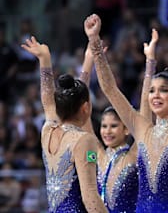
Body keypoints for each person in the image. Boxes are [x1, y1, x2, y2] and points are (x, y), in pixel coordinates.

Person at [85, 12, 168, 212]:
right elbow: (110, 90)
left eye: (164, 90)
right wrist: (95, 41)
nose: (155, 95)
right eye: (151, 91)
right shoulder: (143, 129)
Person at [21, 36, 107, 212]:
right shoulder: (84, 140)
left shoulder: (48, 129)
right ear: (86, 107)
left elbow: (47, 99)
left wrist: (44, 60)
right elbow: (90, 195)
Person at [79, 29, 159, 212]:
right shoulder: (97, 154)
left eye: (114, 126)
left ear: (126, 130)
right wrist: (87, 63)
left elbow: (145, 115)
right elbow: (81, 117)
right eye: (104, 126)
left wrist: (150, 63)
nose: (107, 131)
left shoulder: (133, 154)